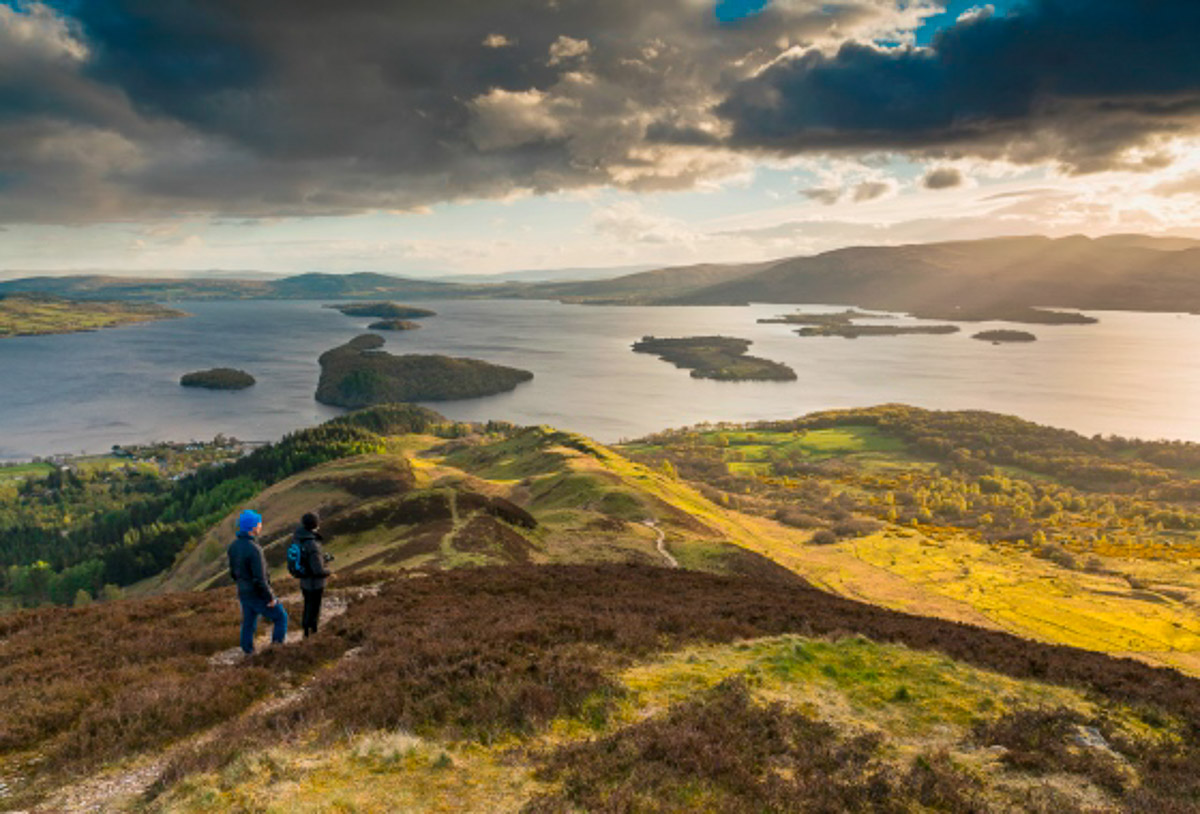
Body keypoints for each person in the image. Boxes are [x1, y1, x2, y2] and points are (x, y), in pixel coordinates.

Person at [227, 509, 287, 654]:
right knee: (281, 617)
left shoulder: (233, 546)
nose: (261, 526)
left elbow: (233, 572)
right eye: (259, 523)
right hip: (257, 593)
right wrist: (270, 597)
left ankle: (248, 651)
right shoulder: (254, 549)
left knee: (248, 622)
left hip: (243, 591)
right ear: (252, 528)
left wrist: (242, 583)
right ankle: (276, 649)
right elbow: (260, 579)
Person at [293, 512, 333, 637]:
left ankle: (305, 629)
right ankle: (313, 632)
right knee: (315, 607)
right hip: (315, 583)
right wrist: (328, 571)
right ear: (315, 524)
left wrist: (323, 559)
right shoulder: (313, 544)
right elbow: (318, 570)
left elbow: (308, 560)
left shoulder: (299, 538)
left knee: (307, 604)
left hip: (304, 580)